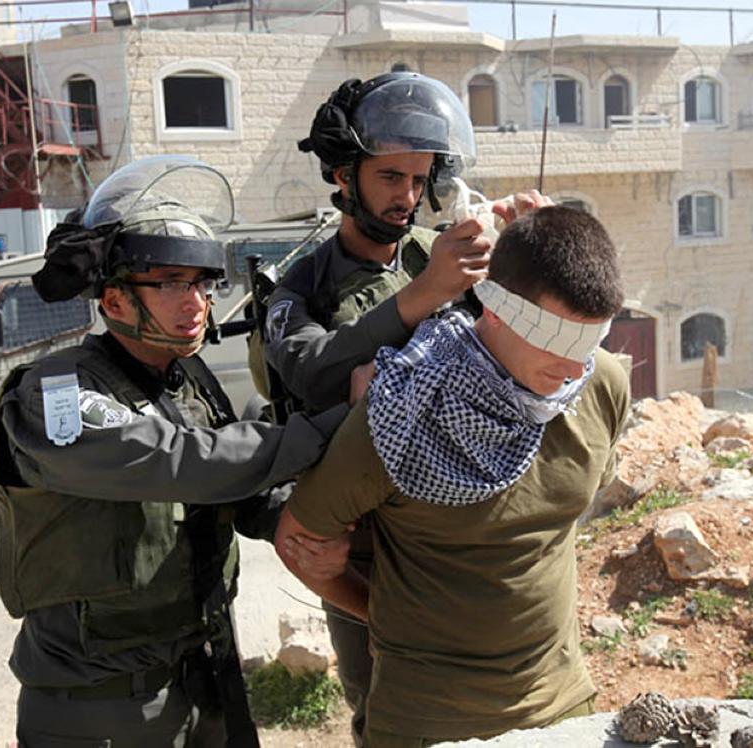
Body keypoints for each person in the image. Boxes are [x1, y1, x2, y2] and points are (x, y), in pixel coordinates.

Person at [0, 156, 350, 748]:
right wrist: (328, 426)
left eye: (203, 284)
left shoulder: (188, 381)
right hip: (101, 710)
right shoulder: (55, 394)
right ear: (113, 302)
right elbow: (179, 459)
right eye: (171, 284)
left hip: (203, 681)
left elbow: (236, 487)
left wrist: (302, 522)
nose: (196, 302)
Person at [261, 71, 548, 744]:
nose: (407, 196)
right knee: (383, 702)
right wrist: (427, 292)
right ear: (344, 176)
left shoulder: (436, 254)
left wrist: (526, 251)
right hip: (361, 540)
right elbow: (313, 370)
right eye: (390, 177)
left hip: (452, 524)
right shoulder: (300, 286)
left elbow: (515, 344)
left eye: (419, 179)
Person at [275, 205, 631, 747]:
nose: (572, 368)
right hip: (430, 723)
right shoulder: (402, 409)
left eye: (587, 344)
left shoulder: (598, 384)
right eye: (557, 342)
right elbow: (298, 540)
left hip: (561, 706)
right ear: (497, 309)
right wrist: (381, 614)